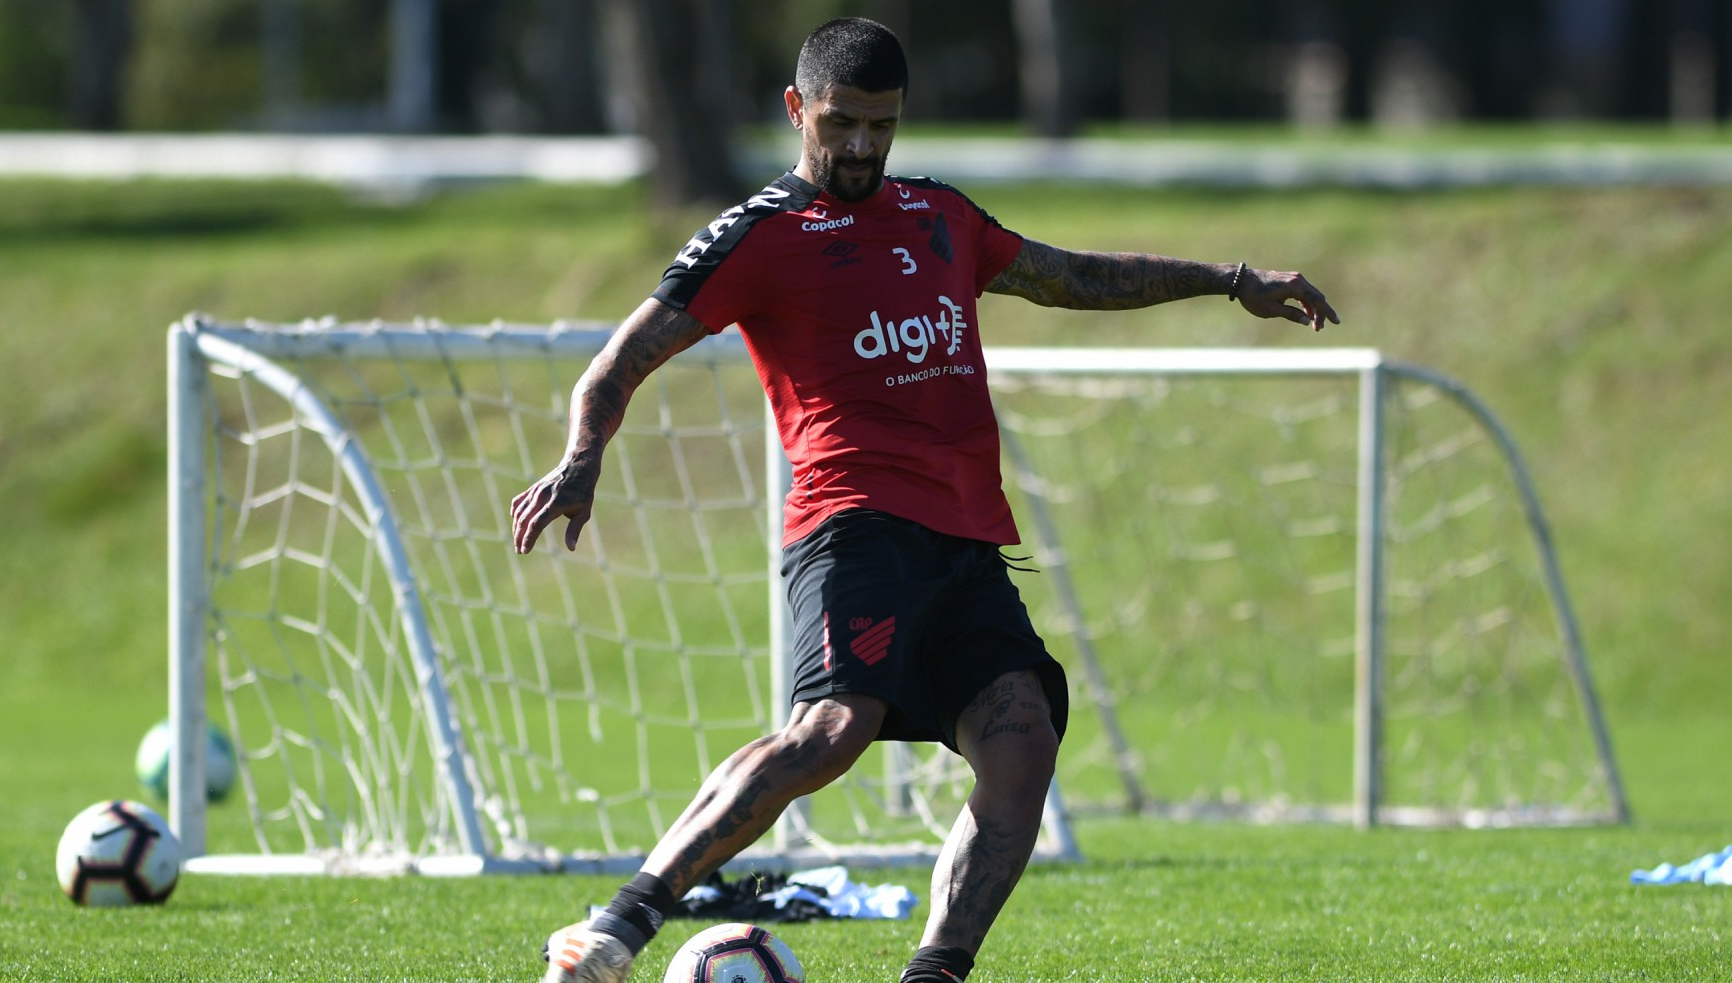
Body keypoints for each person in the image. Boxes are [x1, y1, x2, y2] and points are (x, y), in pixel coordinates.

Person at [511, 16, 1340, 983]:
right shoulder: (762, 235)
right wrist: (582, 454)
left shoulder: (939, 216)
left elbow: (1067, 275)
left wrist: (1230, 281)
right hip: (852, 525)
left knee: (1023, 741)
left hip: (966, 542)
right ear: (797, 110)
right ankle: (616, 929)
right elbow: (619, 360)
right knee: (832, 731)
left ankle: (934, 972)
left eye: (882, 125)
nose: (862, 146)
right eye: (842, 123)